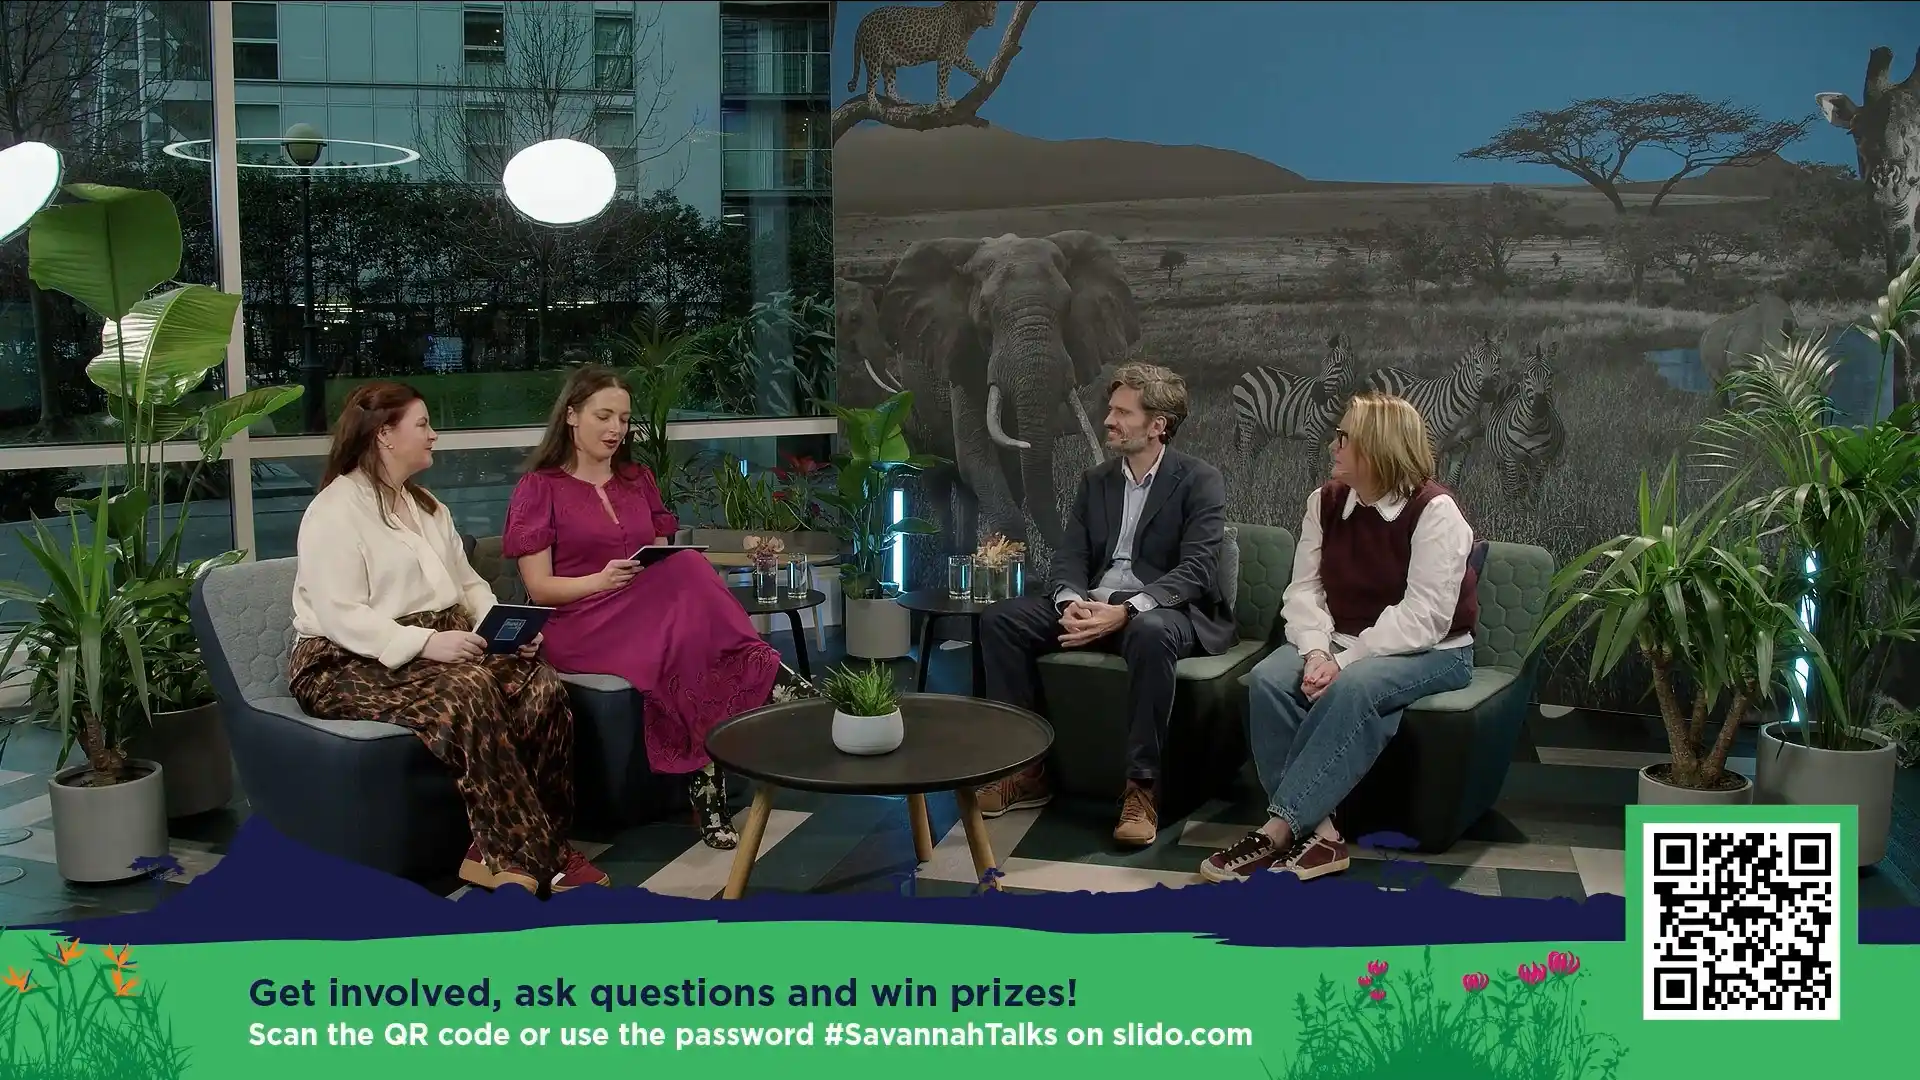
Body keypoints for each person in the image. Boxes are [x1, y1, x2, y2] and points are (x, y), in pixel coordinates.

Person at [288, 382, 609, 896]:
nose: (434, 436)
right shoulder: (333, 511)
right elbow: (341, 613)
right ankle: (531, 854)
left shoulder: (427, 506)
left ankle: (505, 847)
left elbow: (467, 583)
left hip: (437, 645)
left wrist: (500, 629)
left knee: (539, 683)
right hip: (343, 661)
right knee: (467, 690)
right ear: (384, 436)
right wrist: (421, 644)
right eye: (423, 425)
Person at [502, 366, 787, 851]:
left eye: (624, 419)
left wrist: (644, 574)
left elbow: (658, 562)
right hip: (580, 619)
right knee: (689, 584)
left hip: (640, 609)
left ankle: (708, 779)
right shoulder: (539, 487)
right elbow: (539, 588)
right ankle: (771, 677)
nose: (616, 429)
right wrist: (600, 580)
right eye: (604, 416)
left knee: (686, 577)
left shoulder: (637, 479)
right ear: (572, 416)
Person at [1200, 390, 1478, 884]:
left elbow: (1425, 617)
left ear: (1377, 449)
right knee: (1267, 678)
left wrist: (1343, 663)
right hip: (1337, 641)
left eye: (1345, 437)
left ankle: (1279, 827)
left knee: (1355, 688)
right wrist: (1314, 652)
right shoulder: (1324, 502)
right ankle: (1324, 835)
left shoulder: (1435, 512)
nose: (1333, 444)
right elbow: (1304, 591)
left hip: (1436, 650)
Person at [976, 362, 1233, 846]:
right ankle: (1027, 772)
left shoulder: (1200, 480)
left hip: (1160, 612)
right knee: (1000, 621)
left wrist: (1129, 609)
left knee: (1152, 632)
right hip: (1094, 604)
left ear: (1158, 425)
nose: (1108, 421)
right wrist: (1071, 601)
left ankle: (1142, 789)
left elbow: (1196, 569)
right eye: (1110, 410)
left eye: (1122, 412)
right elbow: (1069, 556)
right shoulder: (1096, 480)